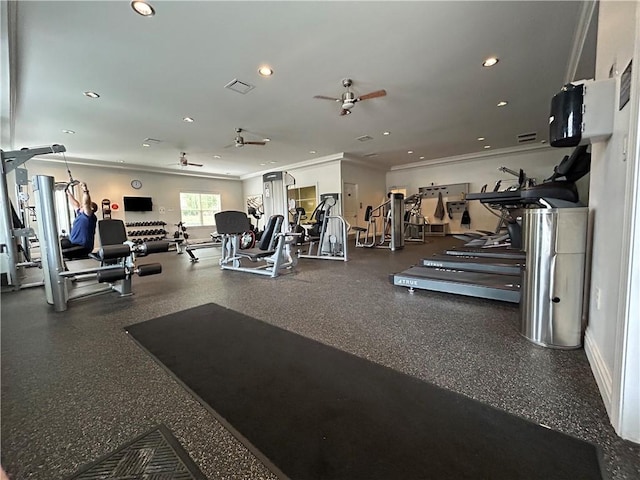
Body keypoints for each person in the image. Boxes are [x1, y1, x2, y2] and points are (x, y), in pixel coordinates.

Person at [60, 182, 98, 258]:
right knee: (60, 244)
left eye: (83, 206)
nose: (81, 206)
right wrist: (68, 193)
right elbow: (75, 204)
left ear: (91, 209)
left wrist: (85, 190)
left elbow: (86, 203)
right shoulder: (80, 214)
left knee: (59, 249)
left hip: (83, 247)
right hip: (74, 244)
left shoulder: (88, 215)